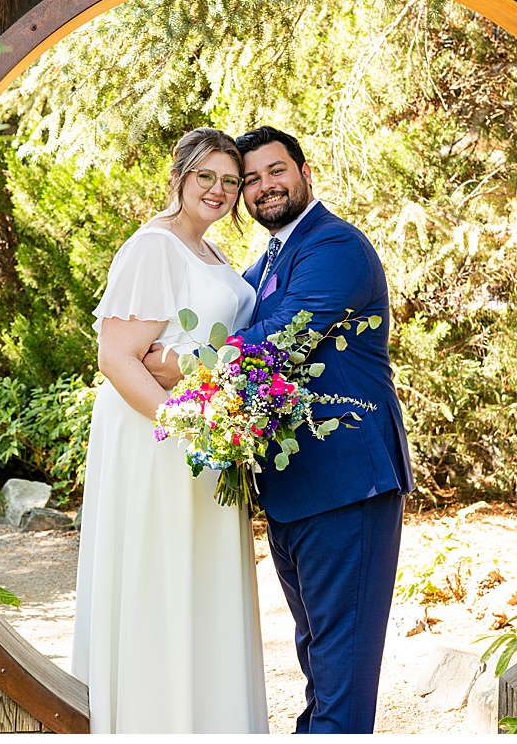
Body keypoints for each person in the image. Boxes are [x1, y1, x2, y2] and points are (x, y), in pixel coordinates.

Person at [145, 126, 414, 734]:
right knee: (317, 653)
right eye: (252, 179)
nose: (264, 186)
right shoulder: (265, 260)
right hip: (293, 487)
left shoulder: (336, 247)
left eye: (276, 171)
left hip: (348, 483)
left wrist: (180, 363)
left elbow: (282, 340)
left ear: (305, 172)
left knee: (341, 664)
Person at [71, 127, 269, 733]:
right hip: (158, 438)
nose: (219, 190)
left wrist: (215, 409)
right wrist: (187, 426)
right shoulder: (153, 247)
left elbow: (205, 349)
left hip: (208, 434)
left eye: (230, 182)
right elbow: (117, 358)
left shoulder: (209, 252)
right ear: (180, 176)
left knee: (202, 585)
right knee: (159, 575)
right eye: (205, 176)